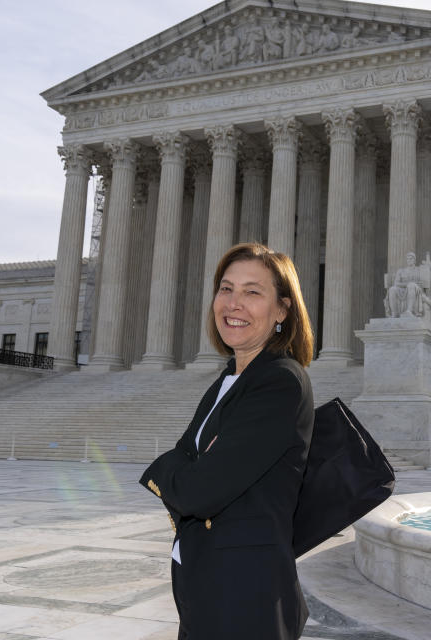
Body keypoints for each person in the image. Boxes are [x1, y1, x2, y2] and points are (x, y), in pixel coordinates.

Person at [140, 242, 315, 640]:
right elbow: (186, 462)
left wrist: (172, 470)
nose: (233, 303)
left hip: (245, 596)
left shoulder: (279, 382)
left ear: (282, 310)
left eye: (252, 292)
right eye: (226, 288)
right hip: (208, 585)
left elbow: (197, 491)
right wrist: (182, 469)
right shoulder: (230, 379)